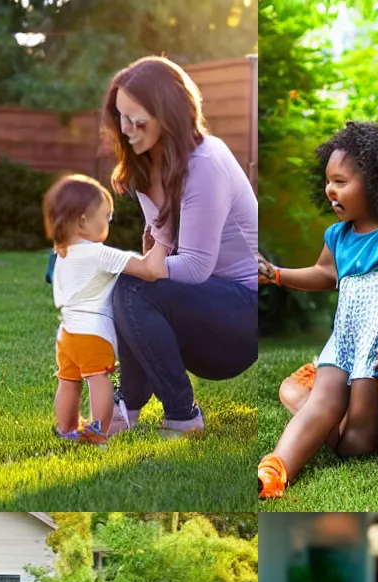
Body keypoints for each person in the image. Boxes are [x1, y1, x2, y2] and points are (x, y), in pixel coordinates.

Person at [258, 122, 378, 498]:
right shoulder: (338, 236)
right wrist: (278, 275)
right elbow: (325, 274)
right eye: (328, 181)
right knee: (324, 400)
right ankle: (277, 467)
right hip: (346, 342)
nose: (330, 190)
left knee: (356, 440)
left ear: (377, 184)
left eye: (341, 181)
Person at [101, 56, 259, 437]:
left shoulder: (205, 162)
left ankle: (182, 415)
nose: (129, 130)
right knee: (128, 284)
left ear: (169, 116)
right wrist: (140, 260)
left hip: (245, 319)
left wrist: (135, 266)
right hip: (202, 309)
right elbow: (160, 244)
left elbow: (196, 267)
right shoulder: (145, 165)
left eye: (139, 121)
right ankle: (129, 407)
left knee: (132, 282)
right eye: (123, 118)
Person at [41, 174, 168, 443]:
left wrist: (146, 248)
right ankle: (99, 432)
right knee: (99, 380)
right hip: (93, 334)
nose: (109, 221)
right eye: (107, 215)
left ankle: (67, 429)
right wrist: (163, 239)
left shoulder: (62, 253)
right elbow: (150, 269)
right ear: (84, 221)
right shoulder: (98, 253)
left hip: (66, 335)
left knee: (68, 381)